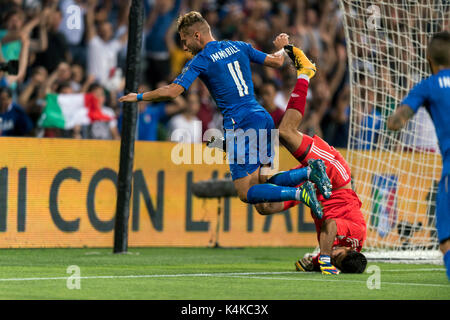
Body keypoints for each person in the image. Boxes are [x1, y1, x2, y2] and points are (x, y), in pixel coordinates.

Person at [119, 11, 331, 218]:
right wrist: (283, 47)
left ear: (197, 35)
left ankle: (301, 192)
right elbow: (276, 62)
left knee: (246, 192)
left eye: (184, 40)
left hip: (240, 122)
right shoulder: (238, 46)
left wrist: (138, 97)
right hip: (262, 116)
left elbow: (173, 91)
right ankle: (309, 173)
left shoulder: (201, 59)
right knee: (264, 183)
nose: (184, 47)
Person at [250, 44, 367, 275]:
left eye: (334, 260)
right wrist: (323, 259)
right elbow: (331, 225)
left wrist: (311, 262)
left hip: (313, 192)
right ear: (349, 250)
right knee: (286, 132)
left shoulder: (335, 257)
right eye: (337, 255)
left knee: (263, 204)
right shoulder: (356, 237)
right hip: (333, 177)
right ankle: (305, 72)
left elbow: (305, 262)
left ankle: (265, 152)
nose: (334, 255)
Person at [387, 31, 450, 280]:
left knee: (446, 241)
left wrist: (393, 118)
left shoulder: (428, 86)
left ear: (429, 58)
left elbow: (397, 121)